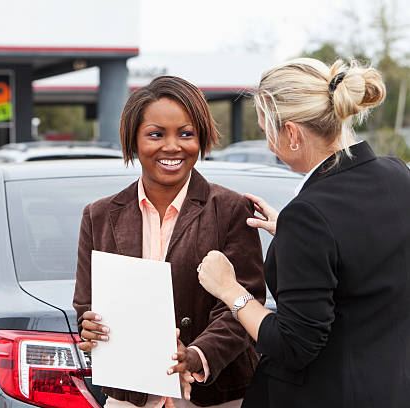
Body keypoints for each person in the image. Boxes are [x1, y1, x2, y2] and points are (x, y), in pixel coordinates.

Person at [197, 58, 410, 408]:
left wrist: (229, 289)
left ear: (293, 133)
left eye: (267, 130)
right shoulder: (396, 174)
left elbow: (293, 345)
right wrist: (293, 233)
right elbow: (369, 259)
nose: (268, 145)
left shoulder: (309, 215)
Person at [72, 76, 266, 408]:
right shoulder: (99, 216)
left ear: (201, 138)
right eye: (156, 134)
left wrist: (194, 356)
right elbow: (85, 306)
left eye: (186, 133)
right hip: (130, 398)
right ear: (133, 140)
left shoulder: (232, 210)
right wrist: (89, 328)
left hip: (213, 396)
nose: (172, 146)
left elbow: (243, 308)